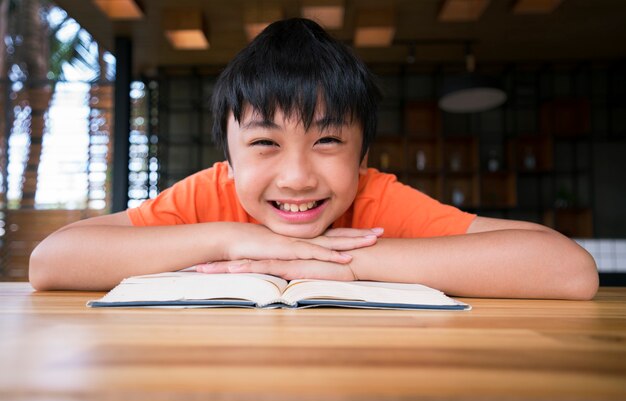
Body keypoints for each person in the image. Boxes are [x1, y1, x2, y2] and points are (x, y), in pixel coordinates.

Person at [29, 18, 598, 299]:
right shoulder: (211, 195)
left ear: (362, 156)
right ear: (227, 156)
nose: (298, 177)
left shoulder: (376, 198)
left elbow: (569, 270)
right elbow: (52, 262)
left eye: (328, 141)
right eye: (264, 143)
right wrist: (235, 239)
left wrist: (344, 265)